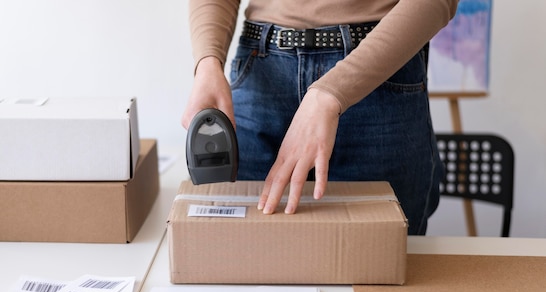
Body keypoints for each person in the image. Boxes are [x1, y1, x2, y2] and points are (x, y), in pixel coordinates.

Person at [182, 0, 458, 235]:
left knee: (380, 267)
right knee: (241, 261)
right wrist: (207, 61)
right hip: (261, 76)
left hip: (378, 74)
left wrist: (333, 92)